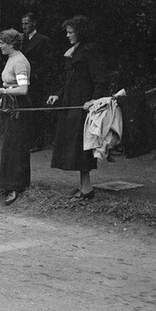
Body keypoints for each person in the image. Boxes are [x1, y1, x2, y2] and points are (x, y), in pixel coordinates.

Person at [46, 15, 110, 200]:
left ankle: (87, 189)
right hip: (71, 103)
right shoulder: (75, 50)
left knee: (83, 147)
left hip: (84, 106)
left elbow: (100, 78)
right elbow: (69, 79)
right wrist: (58, 94)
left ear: (80, 32)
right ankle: (83, 186)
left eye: (70, 32)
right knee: (74, 146)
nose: (67, 35)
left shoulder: (91, 50)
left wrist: (94, 100)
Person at [0, 29, 32, 205]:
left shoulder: (20, 61)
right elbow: (12, 85)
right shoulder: (11, 59)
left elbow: (23, 89)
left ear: (11, 44)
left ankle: (17, 186)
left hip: (20, 107)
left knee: (16, 146)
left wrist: (2, 91)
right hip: (11, 104)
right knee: (9, 145)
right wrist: (1, 100)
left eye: (1, 43)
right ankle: (8, 184)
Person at [20, 11, 53, 152]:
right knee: (24, 110)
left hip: (35, 81)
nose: (24, 26)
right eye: (22, 24)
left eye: (26, 23)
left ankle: (37, 142)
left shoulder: (42, 40)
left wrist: (37, 75)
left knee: (35, 110)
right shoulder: (21, 40)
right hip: (22, 80)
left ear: (34, 23)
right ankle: (27, 140)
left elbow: (47, 61)